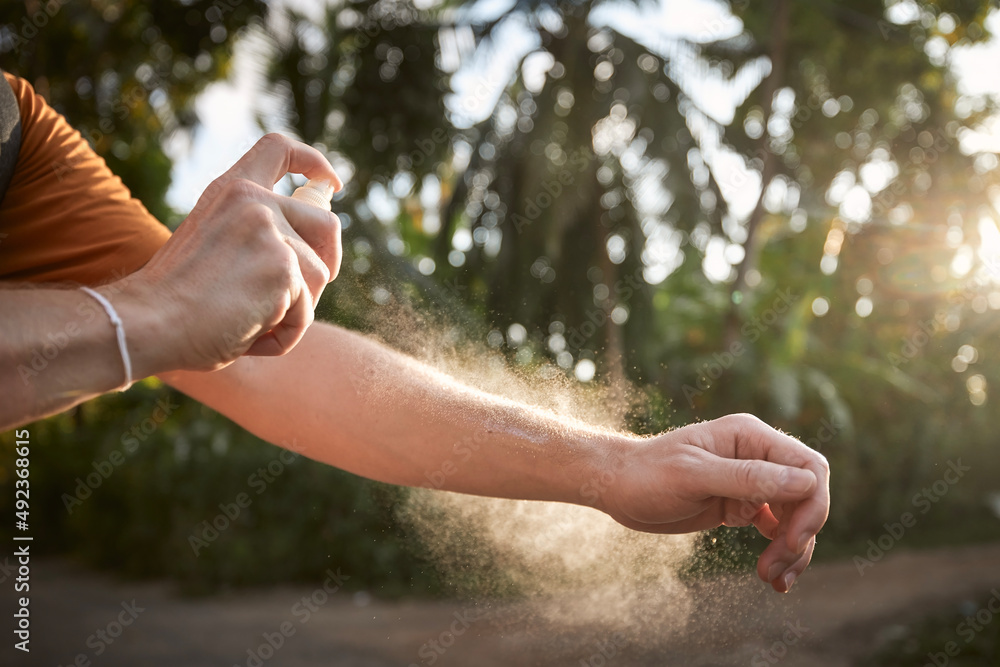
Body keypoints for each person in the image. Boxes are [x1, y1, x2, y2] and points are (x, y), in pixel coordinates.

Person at [0, 71, 828, 594]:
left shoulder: (21, 135)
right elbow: (161, 317)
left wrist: (618, 464)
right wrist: (150, 315)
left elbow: (268, 365)